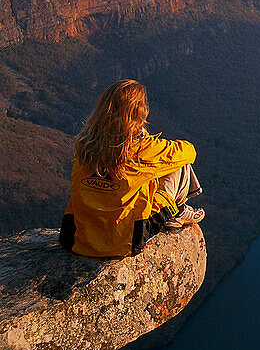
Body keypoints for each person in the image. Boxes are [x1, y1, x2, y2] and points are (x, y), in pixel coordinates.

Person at [60, 79, 204, 257]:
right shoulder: (141, 150)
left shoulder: (84, 145)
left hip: (75, 239)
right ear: (140, 113)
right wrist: (145, 138)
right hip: (123, 242)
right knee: (179, 167)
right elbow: (190, 152)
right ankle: (177, 212)